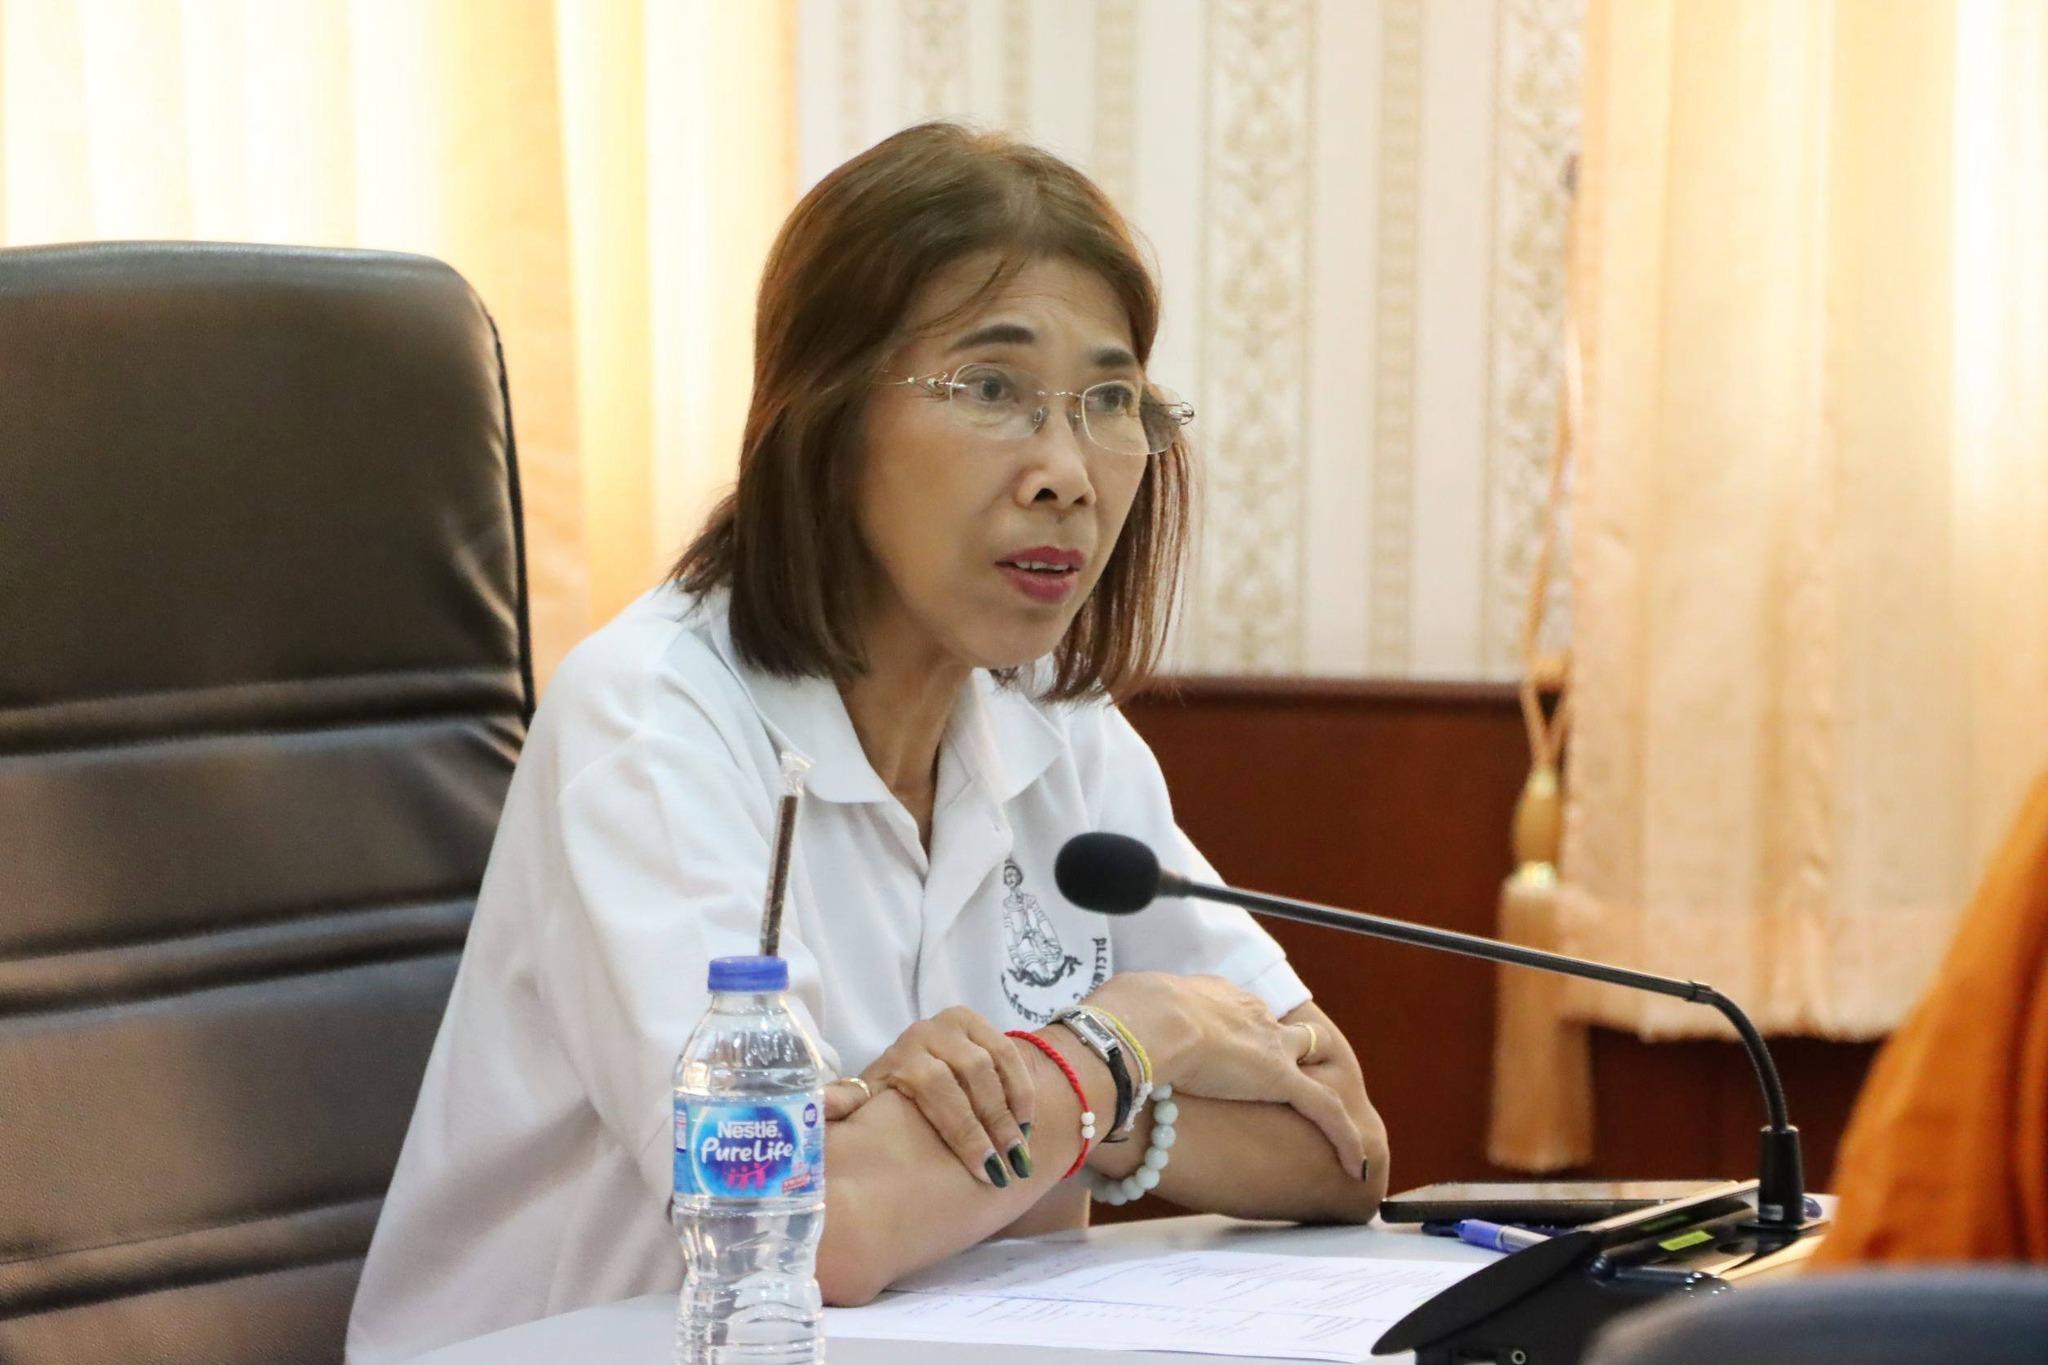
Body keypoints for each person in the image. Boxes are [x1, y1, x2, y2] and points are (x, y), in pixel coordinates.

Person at [345, 122, 1389, 1364]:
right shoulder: (652, 721)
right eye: (991, 390)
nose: (1066, 472)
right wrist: (1132, 1035)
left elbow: (1341, 1146)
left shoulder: (1058, 729)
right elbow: (811, 1225)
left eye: (1109, 402)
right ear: (827, 420)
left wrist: (1076, 1103)